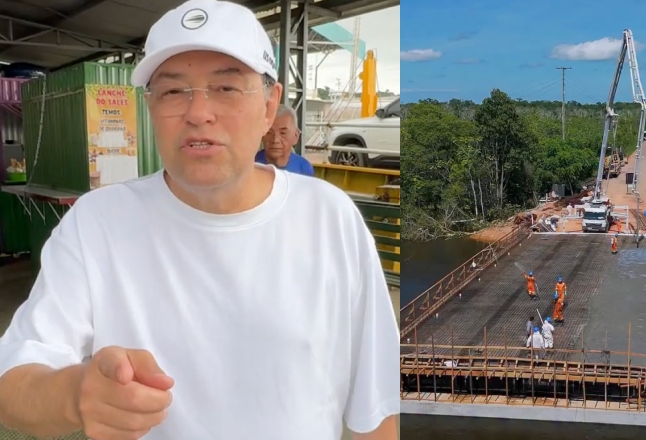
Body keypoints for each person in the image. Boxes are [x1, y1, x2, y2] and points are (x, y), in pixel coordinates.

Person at [0, 1, 398, 440]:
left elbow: (376, 409)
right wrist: (75, 394)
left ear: (269, 107)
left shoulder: (329, 219)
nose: (197, 112)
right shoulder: (96, 224)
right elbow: (12, 382)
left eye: (226, 88)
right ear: (150, 108)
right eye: (173, 91)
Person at [254, 104, 315, 177]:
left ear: (296, 136)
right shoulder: (251, 165)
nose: (275, 140)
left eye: (283, 133)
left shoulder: (304, 168)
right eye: (269, 132)